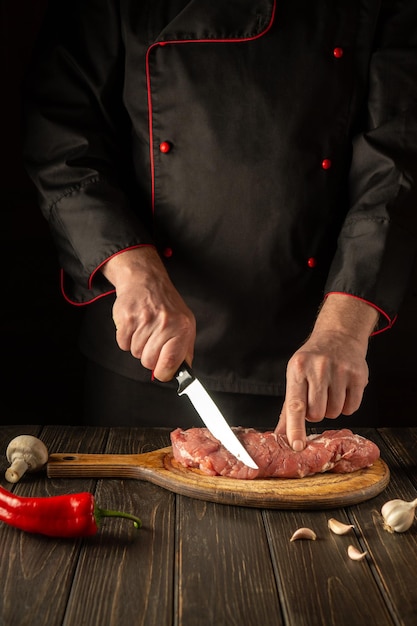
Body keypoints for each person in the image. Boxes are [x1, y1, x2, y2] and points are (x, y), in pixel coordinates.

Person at [23, 0, 417, 449]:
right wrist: (138, 274)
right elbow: (61, 140)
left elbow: (398, 162)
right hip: (150, 353)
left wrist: (344, 329)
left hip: (328, 367)